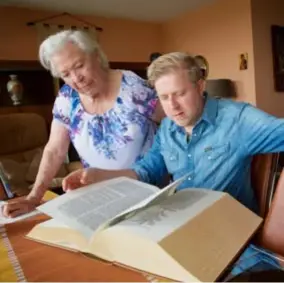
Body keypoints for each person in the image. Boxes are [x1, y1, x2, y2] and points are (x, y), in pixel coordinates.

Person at [63, 52, 284, 278]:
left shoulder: (237, 119)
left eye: (180, 94)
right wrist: (99, 175)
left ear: (200, 86)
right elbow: (146, 171)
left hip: (232, 241)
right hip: (182, 233)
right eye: (164, 97)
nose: (173, 107)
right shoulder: (168, 129)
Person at [2, 29, 164, 218]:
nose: (76, 78)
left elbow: (173, 127)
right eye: (66, 74)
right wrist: (34, 197)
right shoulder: (67, 98)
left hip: (148, 196)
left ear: (96, 55)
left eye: (79, 66)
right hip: (102, 200)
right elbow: (55, 150)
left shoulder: (134, 89)